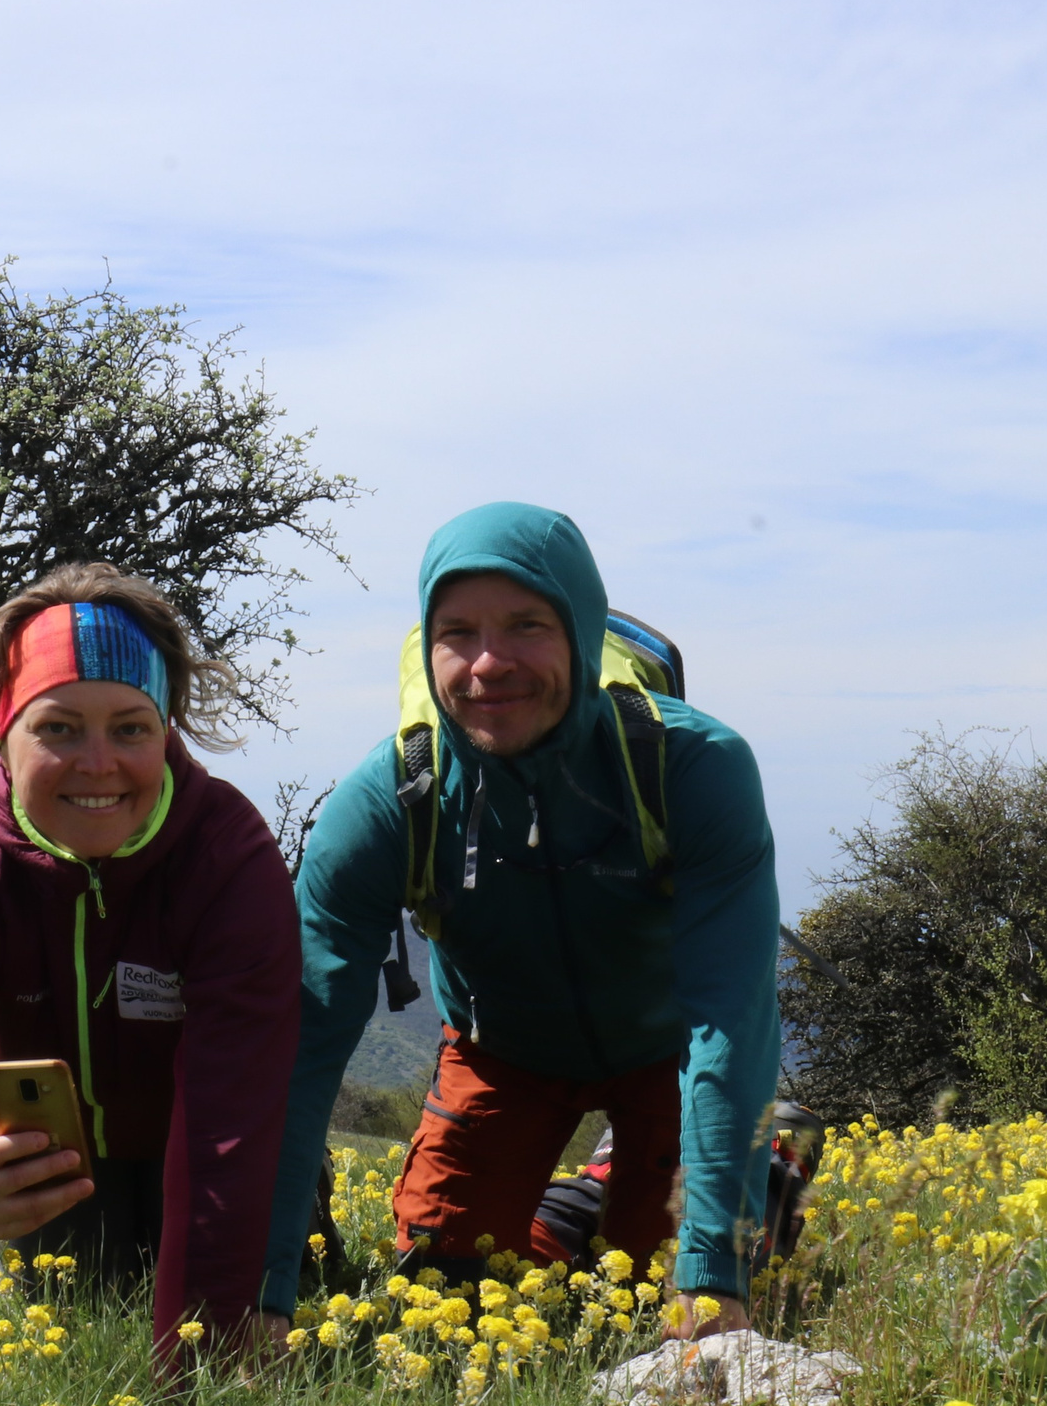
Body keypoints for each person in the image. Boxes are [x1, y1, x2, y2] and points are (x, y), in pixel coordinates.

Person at [259, 503, 780, 1336]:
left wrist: (715, 1272)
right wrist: (264, 1292)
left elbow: (730, 1015)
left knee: (656, 1290)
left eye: (527, 625)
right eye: (457, 632)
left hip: (667, 1052)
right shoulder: (390, 801)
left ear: (579, 630)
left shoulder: (692, 768)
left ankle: (767, 1156)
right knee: (443, 1289)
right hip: (503, 1053)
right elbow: (303, 1042)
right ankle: (587, 1195)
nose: (488, 663)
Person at [0, 565, 300, 1366]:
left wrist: (198, 1379)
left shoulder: (227, 857)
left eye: (131, 728)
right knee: (76, 1337)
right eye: (60, 728)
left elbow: (232, 1130)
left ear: (167, 728)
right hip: (60, 1183)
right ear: (4, 729)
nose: (98, 763)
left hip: (225, 1176)